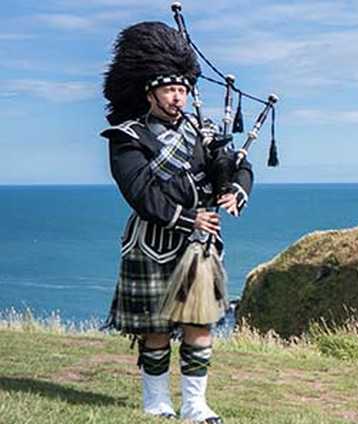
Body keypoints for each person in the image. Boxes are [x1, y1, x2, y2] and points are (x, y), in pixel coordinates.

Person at [101, 21, 252, 423]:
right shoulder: (126, 137)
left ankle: (195, 406)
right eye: (170, 90)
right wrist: (188, 217)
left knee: (198, 324)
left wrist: (235, 189)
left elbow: (239, 166)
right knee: (154, 329)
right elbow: (139, 192)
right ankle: (156, 402)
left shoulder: (203, 133)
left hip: (200, 244)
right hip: (152, 240)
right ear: (149, 92)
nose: (178, 97)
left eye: (183, 90)